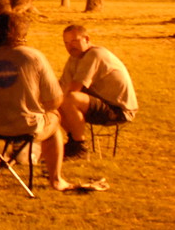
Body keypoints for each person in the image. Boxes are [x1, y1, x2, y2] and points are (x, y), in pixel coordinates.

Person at [0, 11, 71, 191]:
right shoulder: (33, 57)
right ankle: (56, 179)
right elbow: (54, 101)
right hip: (25, 126)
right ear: (22, 32)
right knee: (54, 120)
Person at [58, 24, 137, 158]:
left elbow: (74, 89)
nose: (70, 46)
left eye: (74, 41)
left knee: (70, 98)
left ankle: (79, 146)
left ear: (87, 39)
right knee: (55, 102)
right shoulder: (74, 58)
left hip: (118, 110)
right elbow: (60, 87)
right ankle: (73, 142)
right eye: (66, 43)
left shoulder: (94, 55)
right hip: (100, 102)